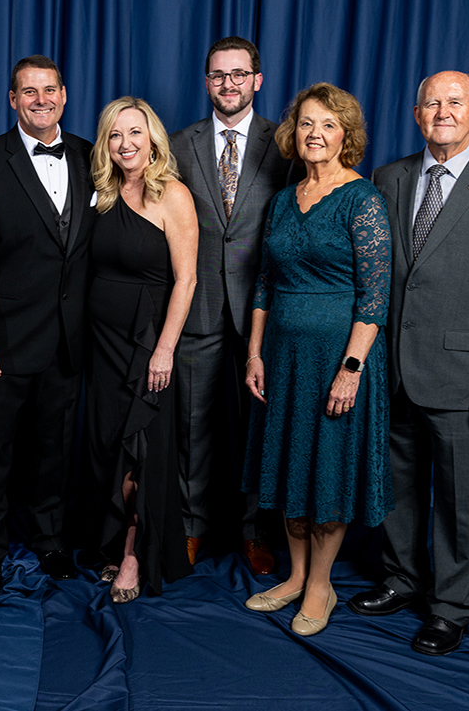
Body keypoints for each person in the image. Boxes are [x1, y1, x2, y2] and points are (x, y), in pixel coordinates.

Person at [348, 71, 469, 655]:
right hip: (394, 369)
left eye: (454, 102)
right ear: (416, 114)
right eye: (431, 103)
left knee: (463, 499)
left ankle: (452, 606)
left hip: (466, 379)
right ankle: (403, 579)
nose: (442, 111)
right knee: (397, 488)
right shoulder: (389, 178)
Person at [242, 83, 393, 637]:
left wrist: (351, 370)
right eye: (306, 123)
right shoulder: (284, 199)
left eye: (328, 125)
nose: (315, 134)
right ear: (293, 132)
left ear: (345, 135)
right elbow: (262, 281)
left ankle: (321, 586)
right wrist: (255, 353)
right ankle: (295, 575)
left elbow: (375, 298)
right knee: (290, 464)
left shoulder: (363, 200)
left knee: (326, 470)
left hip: (337, 358)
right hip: (283, 356)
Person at [0, 55, 96, 600]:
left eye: (50, 90)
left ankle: (50, 538)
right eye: (28, 92)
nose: (41, 100)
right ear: (12, 100)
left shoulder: (90, 154)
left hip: (69, 338)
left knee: (54, 448)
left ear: (64, 94)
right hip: (4, 340)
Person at [170, 37, 290, 572]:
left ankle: (254, 530)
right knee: (192, 427)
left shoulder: (286, 144)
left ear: (257, 80)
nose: (229, 84)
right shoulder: (177, 145)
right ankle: (191, 526)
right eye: (219, 75)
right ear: (206, 82)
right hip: (197, 307)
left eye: (239, 74)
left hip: (263, 310)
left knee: (259, 428)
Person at [87, 97, 198, 602]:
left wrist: (164, 350)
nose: (125, 144)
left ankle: (135, 553)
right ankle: (112, 540)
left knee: (142, 450)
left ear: (153, 137)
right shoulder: (103, 193)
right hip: (103, 345)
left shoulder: (172, 194)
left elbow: (187, 279)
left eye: (135, 133)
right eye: (115, 135)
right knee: (109, 446)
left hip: (146, 342)